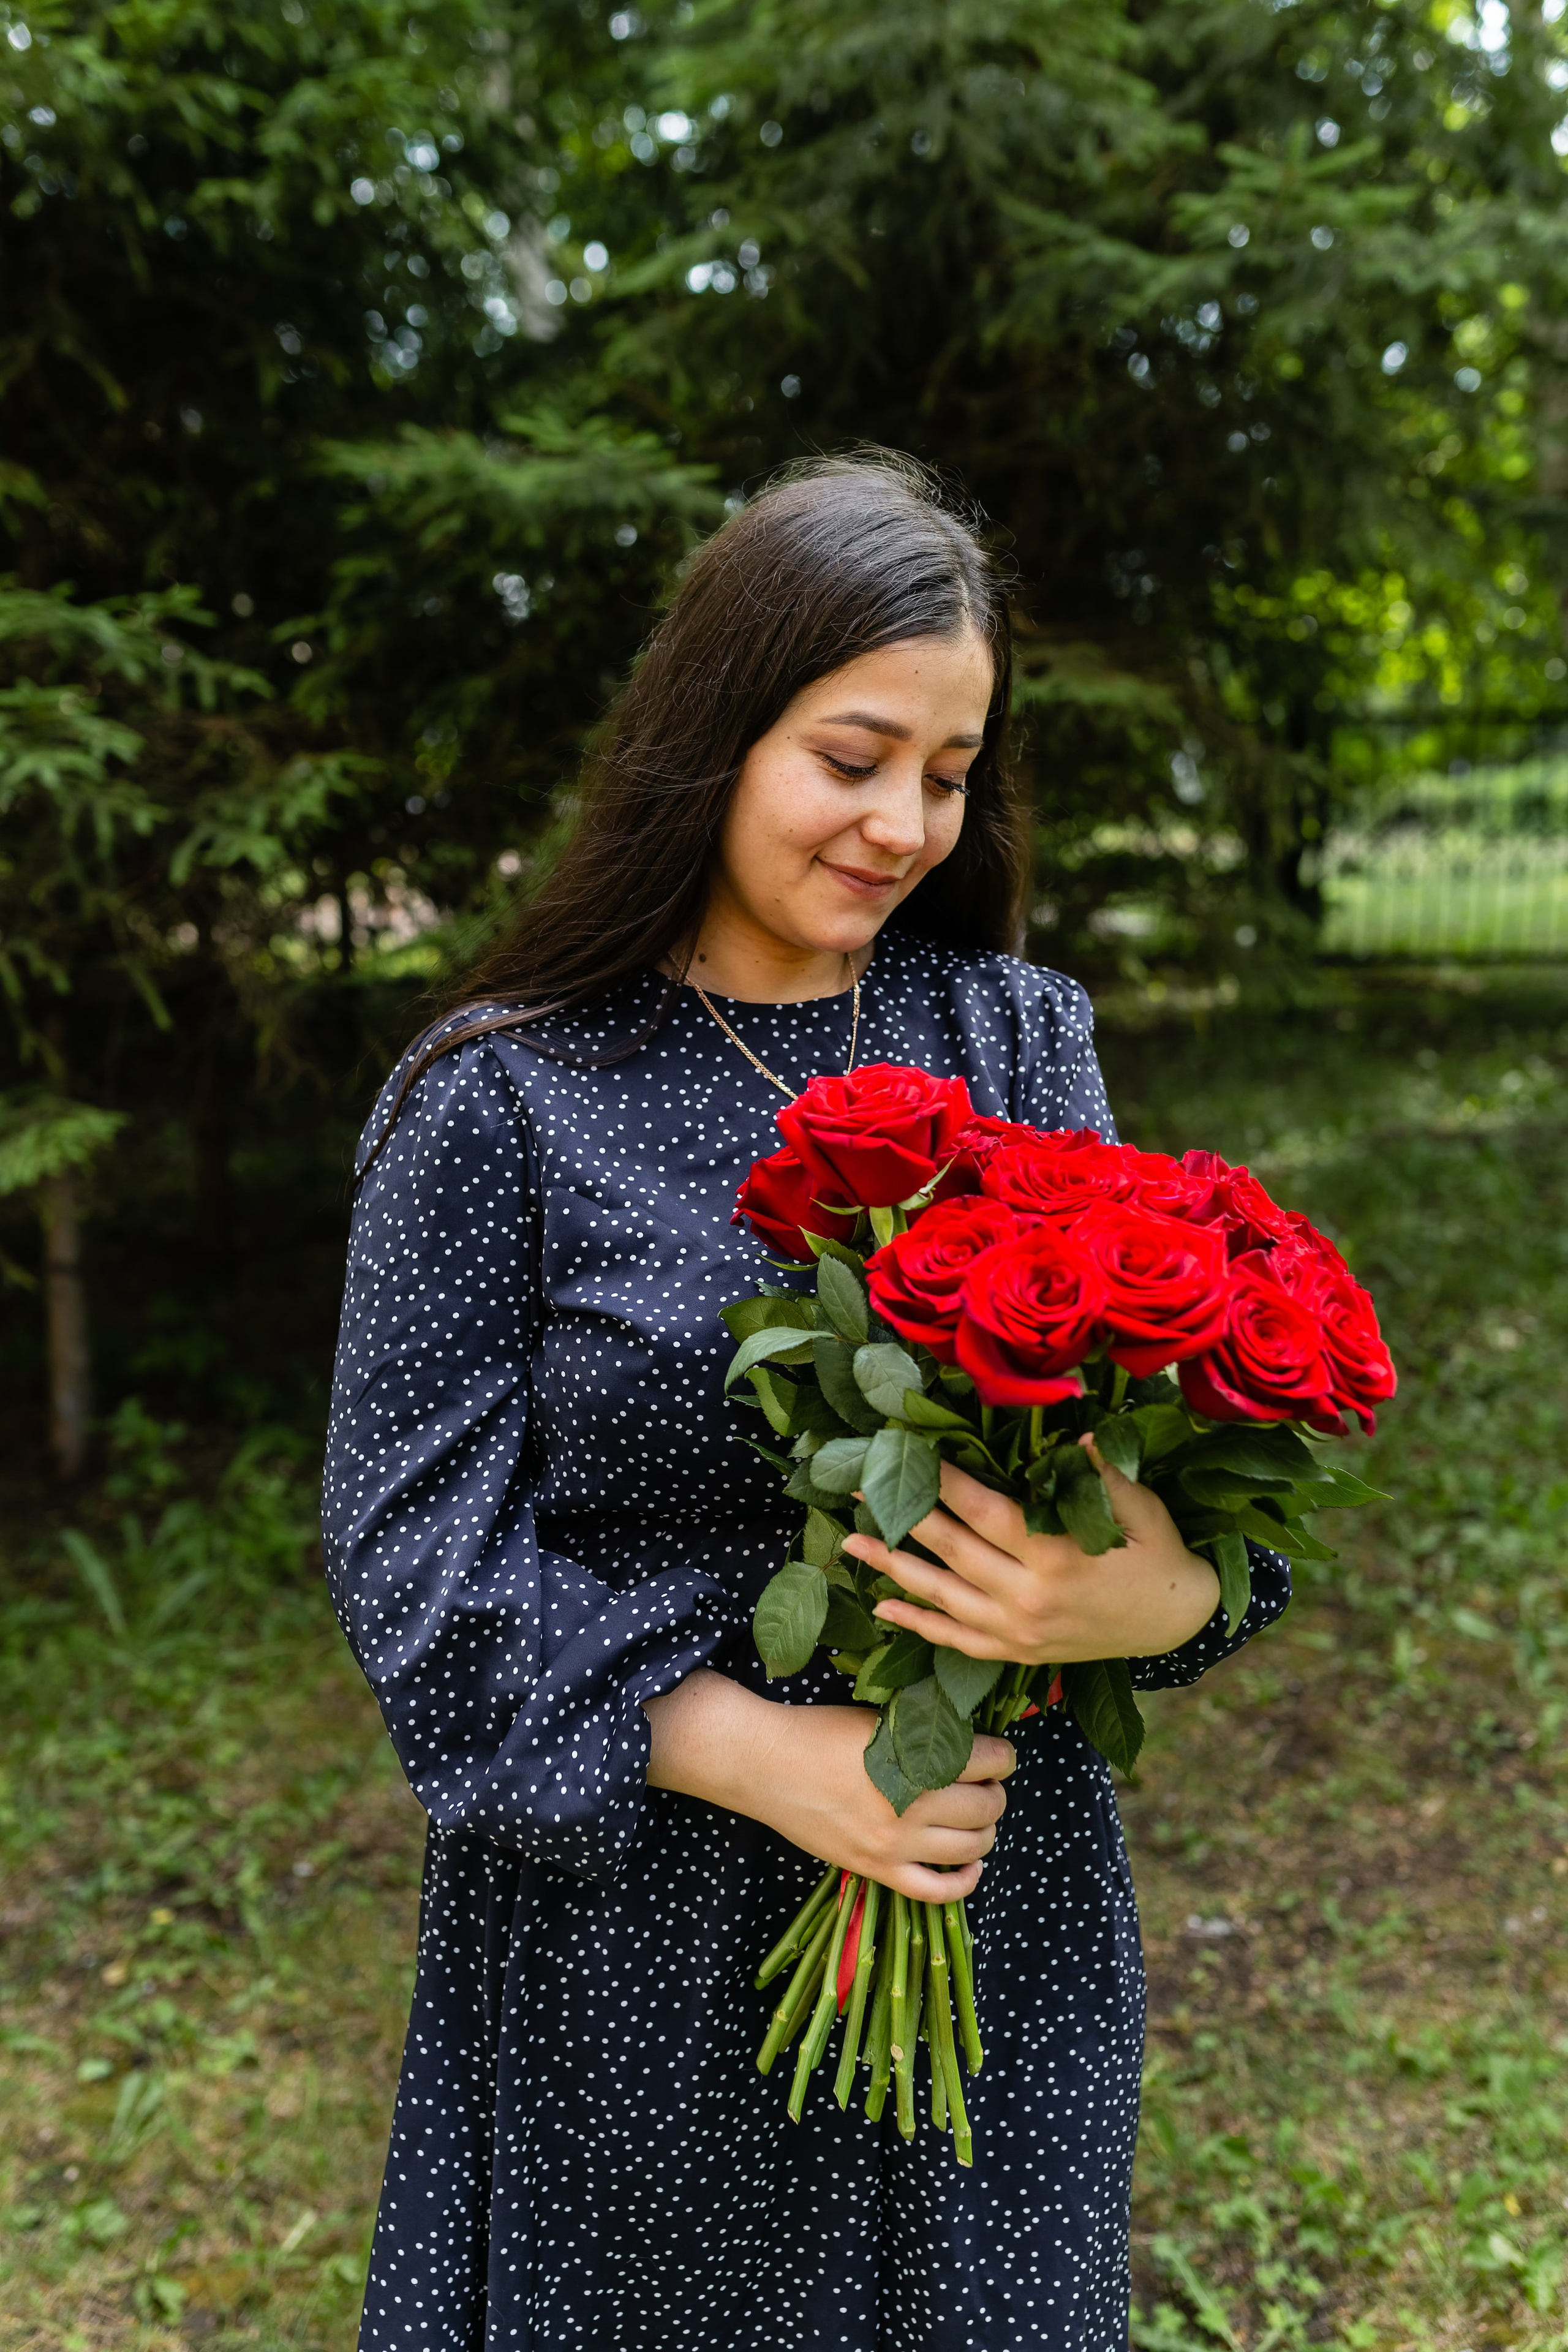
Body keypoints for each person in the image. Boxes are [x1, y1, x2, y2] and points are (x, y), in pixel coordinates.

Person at [322, 453, 1289, 2351]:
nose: (905, 825)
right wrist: (765, 1758)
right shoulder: (501, 1101)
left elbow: (1162, 1468)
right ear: (714, 730)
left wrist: (1144, 1597)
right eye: (853, 758)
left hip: (988, 1910)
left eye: (950, 773)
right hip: (631, 1949)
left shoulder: (1014, 1041)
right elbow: (415, 1574)